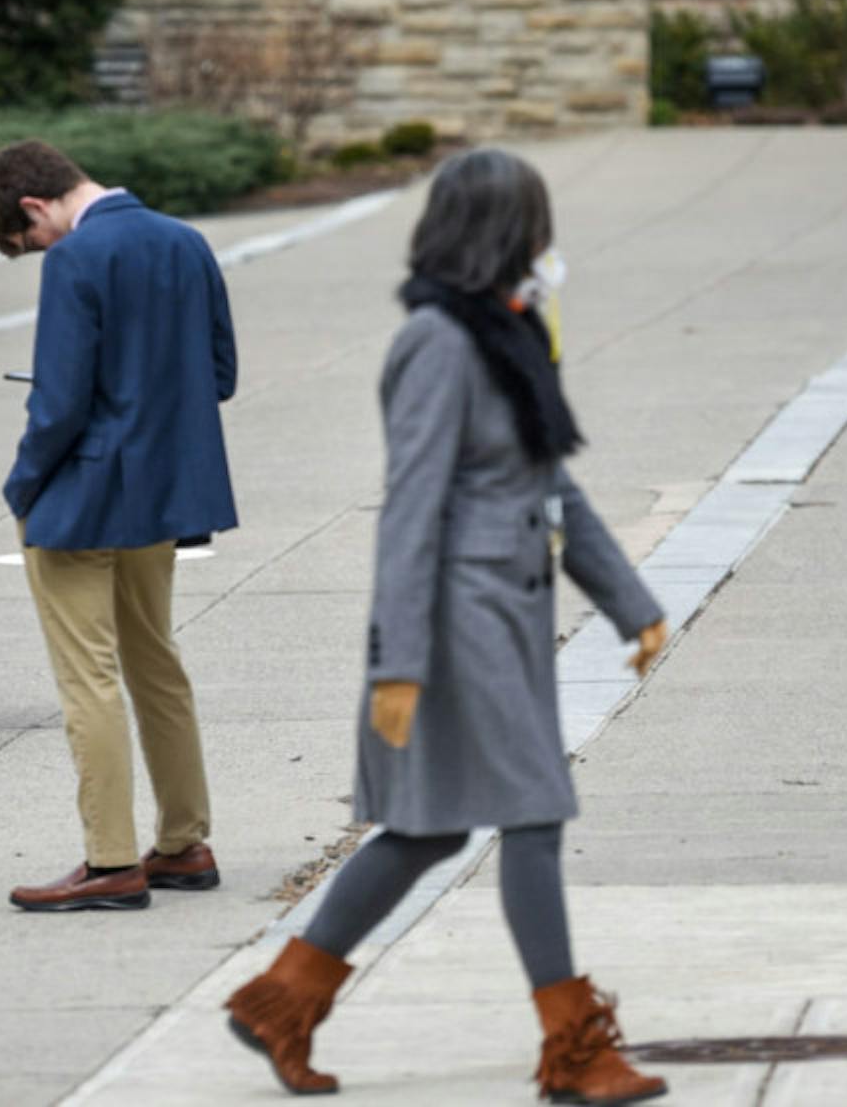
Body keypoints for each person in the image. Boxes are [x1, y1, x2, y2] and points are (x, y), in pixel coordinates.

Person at [223, 149, 670, 1105]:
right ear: (503, 233)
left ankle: (284, 1000)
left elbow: (550, 484)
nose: (549, 245)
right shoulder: (437, 341)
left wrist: (632, 604)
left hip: (503, 621)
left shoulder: (505, 330)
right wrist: (396, 664)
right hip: (453, 630)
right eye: (536, 224)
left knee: (426, 829)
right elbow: (411, 510)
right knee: (534, 816)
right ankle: (574, 1047)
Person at [0, 139, 236, 912]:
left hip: (83, 497)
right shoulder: (185, 241)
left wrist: (22, 486)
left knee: (86, 676)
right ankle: (184, 842)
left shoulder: (77, 260)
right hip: (160, 494)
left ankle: (110, 860)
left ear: (35, 207)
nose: (40, 251)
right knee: (156, 663)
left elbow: (58, 404)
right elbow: (219, 374)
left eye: (29, 241)